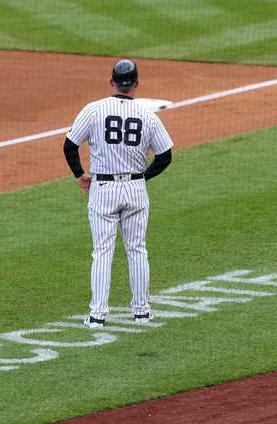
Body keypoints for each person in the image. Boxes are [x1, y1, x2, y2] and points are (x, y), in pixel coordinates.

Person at [63, 59, 173, 328]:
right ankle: (142, 312)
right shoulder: (147, 115)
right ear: (136, 84)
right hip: (135, 190)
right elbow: (165, 157)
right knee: (137, 250)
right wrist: (141, 178)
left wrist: (80, 176)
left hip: (103, 189)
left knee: (102, 251)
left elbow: (69, 146)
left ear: (112, 82)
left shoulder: (94, 110)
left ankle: (98, 315)